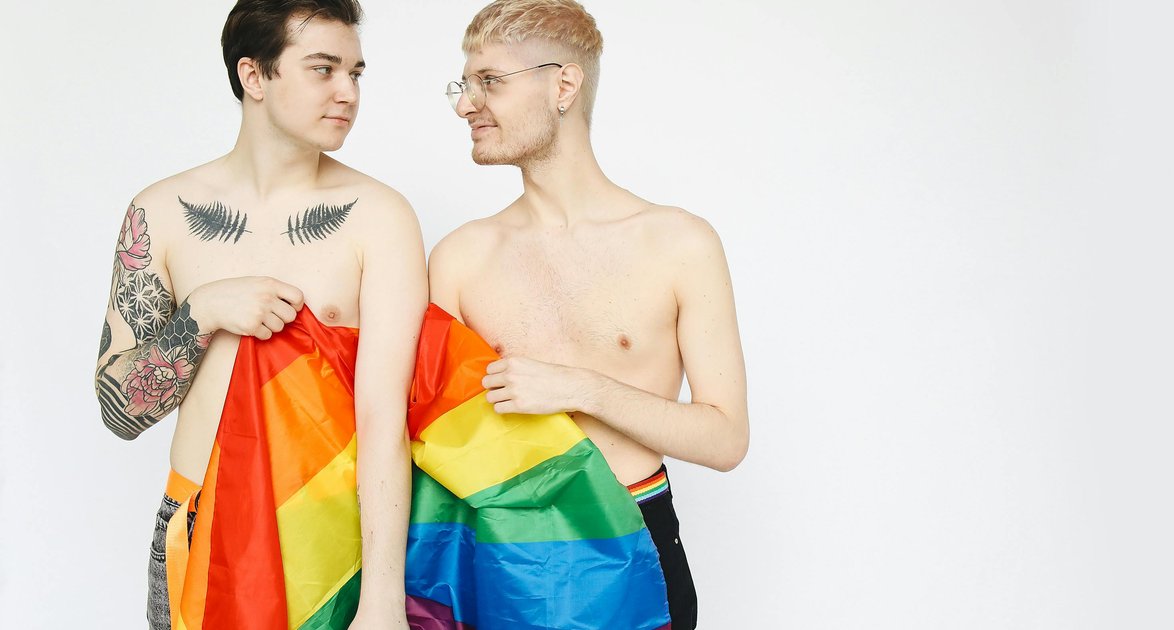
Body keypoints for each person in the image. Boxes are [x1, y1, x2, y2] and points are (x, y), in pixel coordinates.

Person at [92, 1, 424, 628]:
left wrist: (383, 598)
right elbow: (118, 412)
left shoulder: (381, 217)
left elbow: (386, 419)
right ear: (253, 76)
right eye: (323, 69)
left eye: (357, 73)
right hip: (194, 522)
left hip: (328, 526)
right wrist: (203, 312)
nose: (348, 92)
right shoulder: (159, 212)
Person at [431, 1, 750, 627]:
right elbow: (423, 435)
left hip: (634, 534)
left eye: (489, 81)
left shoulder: (679, 243)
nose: (466, 104)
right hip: (506, 545)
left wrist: (579, 388)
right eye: (463, 85)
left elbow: (726, 438)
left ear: (563, 85)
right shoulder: (461, 258)